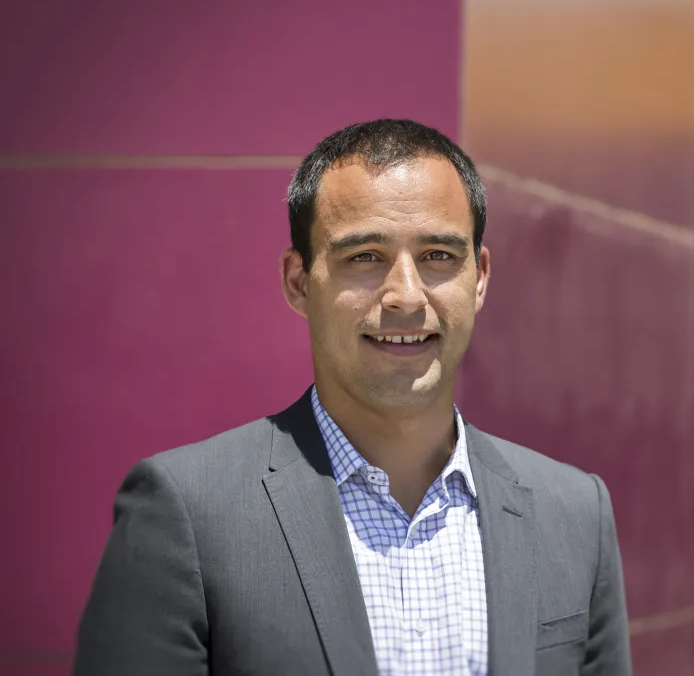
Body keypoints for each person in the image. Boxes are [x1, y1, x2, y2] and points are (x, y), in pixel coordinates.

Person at [73, 119, 632, 676]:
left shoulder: (575, 514)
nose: (407, 297)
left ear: (479, 278)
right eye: (364, 256)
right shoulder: (187, 515)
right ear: (299, 281)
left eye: (439, 254)